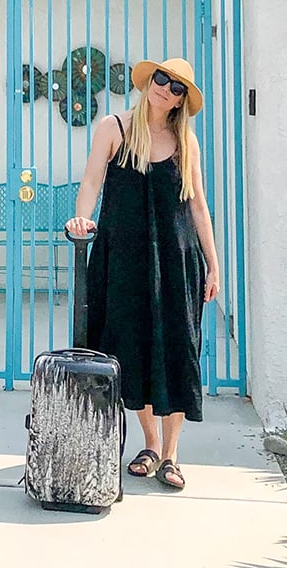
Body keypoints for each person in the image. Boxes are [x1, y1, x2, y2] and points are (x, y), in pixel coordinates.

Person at [65, 57, 219, 490]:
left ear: (181, 101)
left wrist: (214, 264)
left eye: (176, 88)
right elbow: (91, 183)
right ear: (149, 80)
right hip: (125, 261)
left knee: (177, 351)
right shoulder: (114, 128)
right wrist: (81, 219)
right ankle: (150, 444)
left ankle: (171, 455)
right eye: (161, 79)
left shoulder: (186, 142)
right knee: (132, 349)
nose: (165, 89)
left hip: (177, 260)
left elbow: (198, 206)